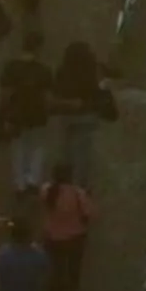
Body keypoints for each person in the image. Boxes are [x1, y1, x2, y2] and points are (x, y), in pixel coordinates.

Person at [0, 32, 57, 191]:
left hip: (17, 115)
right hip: (37, 115)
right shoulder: (44, 71)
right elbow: (48, 98)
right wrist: (49, 111)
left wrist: (1, 114)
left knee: (18, 148)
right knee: (37, 147)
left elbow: (5, 94)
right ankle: (33, 179)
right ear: (39, 49)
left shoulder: (11, 68)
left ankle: (19, 183)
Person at [51, 39, 119, 185]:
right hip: (88, 116)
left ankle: (64, 184)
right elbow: (113, 76)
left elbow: (55, 91)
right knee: (83, 153)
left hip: (66, 115)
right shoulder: (94, 70)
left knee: (65, 151)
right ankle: (80, 186)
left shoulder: (62, 70)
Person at [39, 164, 96, 291]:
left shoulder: (46, 191)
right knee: (73, 268)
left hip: (52, 237)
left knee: (56, 268)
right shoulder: (77, 194)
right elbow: (89, 212)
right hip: (75, 237)